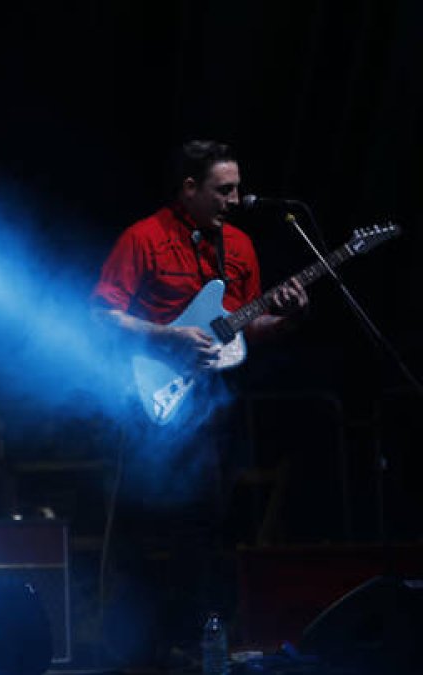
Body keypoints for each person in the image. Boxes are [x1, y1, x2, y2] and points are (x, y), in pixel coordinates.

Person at [90, 140, 308, 666]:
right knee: (144, 536)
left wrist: (288, 317)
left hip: (213, 408)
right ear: (190, 188)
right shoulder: (143, 238)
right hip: (149, 407)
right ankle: (136, 653)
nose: (235, 198)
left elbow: (243, 330)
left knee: (207, 532)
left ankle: (194, 645)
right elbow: (101, 316)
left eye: (237, 188)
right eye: (223, 189)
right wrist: (168, 338)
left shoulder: (239, 247)